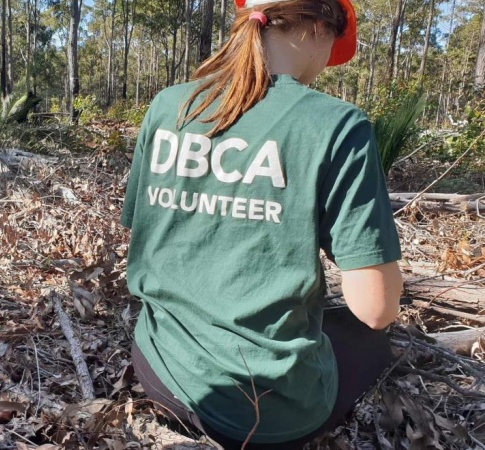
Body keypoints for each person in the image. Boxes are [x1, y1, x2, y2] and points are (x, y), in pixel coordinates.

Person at [121, 0, 403, 448]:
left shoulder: (168, 105)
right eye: (336, 45)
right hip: (266, 412)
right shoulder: (337, 125)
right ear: (319, 28)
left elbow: (144, 227)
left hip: (158, 368)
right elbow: (376, 308)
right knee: (375, 338)